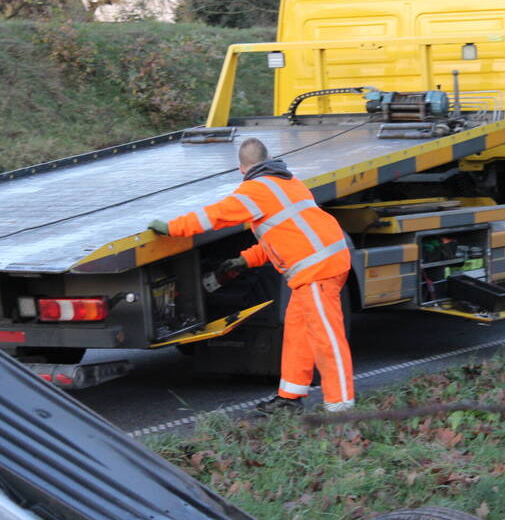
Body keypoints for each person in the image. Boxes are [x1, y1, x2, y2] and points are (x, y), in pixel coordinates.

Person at [148, 137, 354, 414]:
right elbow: (282, 236)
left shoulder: (253, 190)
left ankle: (340, 405)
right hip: (322, 263)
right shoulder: (289, 183)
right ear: (267, 160)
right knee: (298, 334)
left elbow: (214, 217)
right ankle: (289, 398)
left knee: (326, 337)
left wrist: (172, 228)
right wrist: (245, 259)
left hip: (317, 270)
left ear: (241, 168)